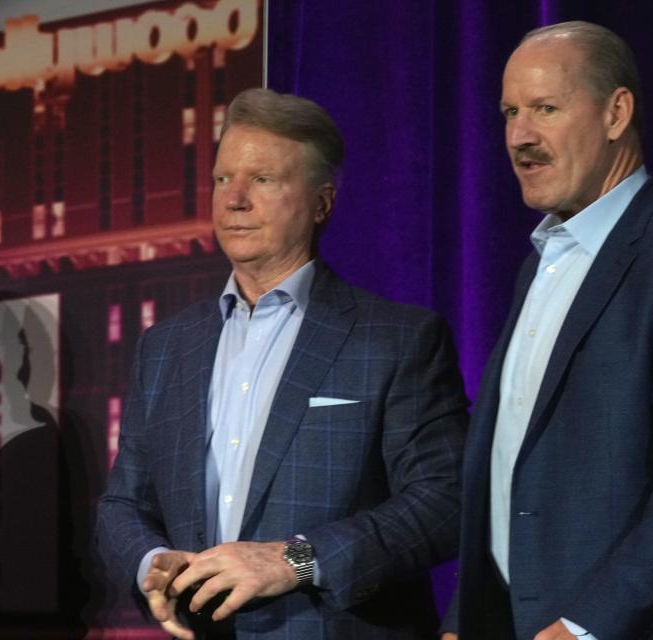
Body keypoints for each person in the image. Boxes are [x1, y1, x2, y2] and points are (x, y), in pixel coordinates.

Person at [97, 88, 468, 640]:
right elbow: (123, 502)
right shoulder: (166, 346)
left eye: (263, 180)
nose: (235, 200)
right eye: (223, 179)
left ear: (322, 203)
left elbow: (446, 501)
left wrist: (295, 560)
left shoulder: (397, 339)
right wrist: (151, 560)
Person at [443, 21, 653, 640]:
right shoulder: (540, 263)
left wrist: (585, 626)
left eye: (545, 109)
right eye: (509, 112)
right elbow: (506, 466)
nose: (519, 137)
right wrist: (466, 617)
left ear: (616, 113)